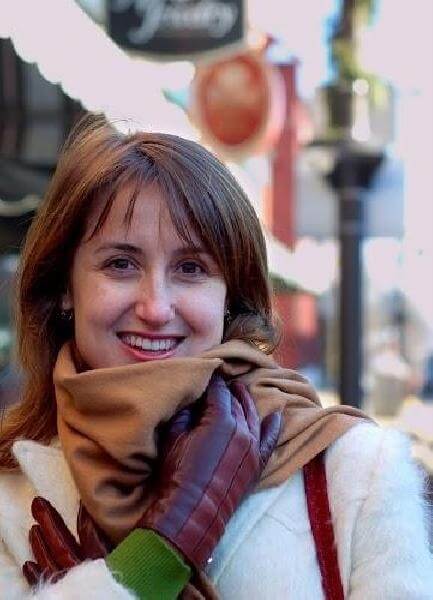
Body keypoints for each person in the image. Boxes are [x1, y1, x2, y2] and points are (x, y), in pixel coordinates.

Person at [0, 115, 432, 599]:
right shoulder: (10, 497)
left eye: (190, 268)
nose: (155, 307)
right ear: (65, 288)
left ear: (230, 295)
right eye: (120, 264)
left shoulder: (355, 475)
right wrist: (164, 547)